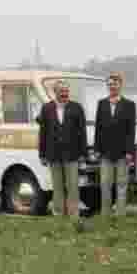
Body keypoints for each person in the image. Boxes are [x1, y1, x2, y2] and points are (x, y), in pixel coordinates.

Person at [37, 80, 89, 218]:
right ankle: (58, 213)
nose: (65, 93)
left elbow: (82, 132)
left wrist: (83, 154)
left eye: (66, 91)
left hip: (72, 154)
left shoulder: (77, 108)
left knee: (72, 186)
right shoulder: (46, 108)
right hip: (53, 154)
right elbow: (43, 133)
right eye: (62, 91)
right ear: (55, 92)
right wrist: (42, 154)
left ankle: (73, 214)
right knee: (57, 186)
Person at [93, 71, 137, 217]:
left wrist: (130, 152)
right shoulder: (101, 104)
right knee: (105, 184)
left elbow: (131, 130)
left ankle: (120, 214)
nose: (112, 87)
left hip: (123, 153)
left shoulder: (129, 105)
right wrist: (97, 149)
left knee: (121, 185)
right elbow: (98, 128)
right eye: (110, 84)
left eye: (115, 84)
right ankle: (105, 213)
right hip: (105, 153)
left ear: (120, 85)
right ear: (108, 86)